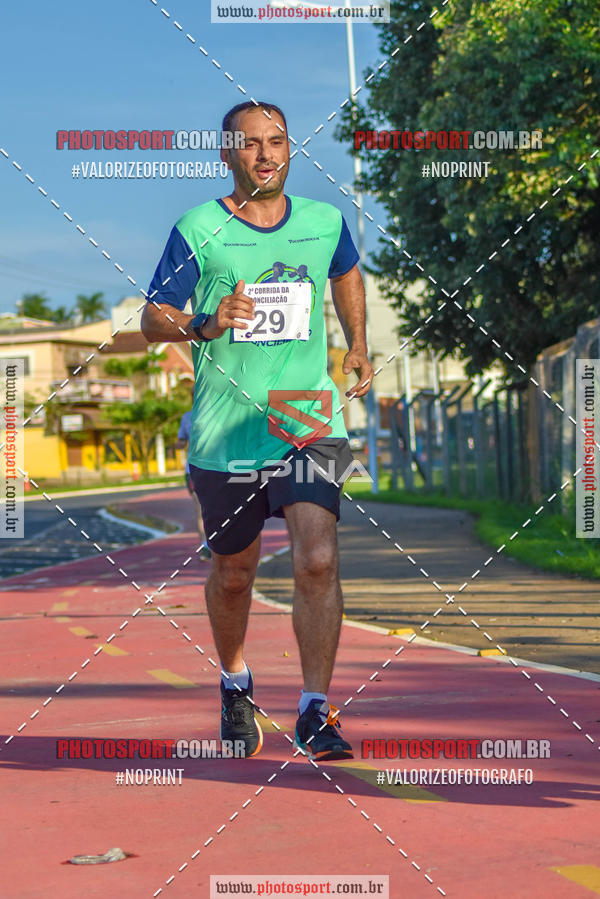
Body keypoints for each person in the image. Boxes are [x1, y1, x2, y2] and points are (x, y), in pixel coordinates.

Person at [141, 100, 373, 761]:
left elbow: (345, 271)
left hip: (307, 413)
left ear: (290, 149)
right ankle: (235, 681)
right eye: (251, 143)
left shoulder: (325, 221)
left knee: (318, 559)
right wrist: (206, 322)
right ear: (227, 153)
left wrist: (358, 341)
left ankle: (314, 710)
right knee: (235, 572)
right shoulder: (199, 227)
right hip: (227, 425)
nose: (266, 154)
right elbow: (154, 316)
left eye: (277, 141)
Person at [176, 406, 212, 561]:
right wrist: (177, 445)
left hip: (217, 469)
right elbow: (181, 441)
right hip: (193, 471)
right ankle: (205, 546)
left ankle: (220, 543)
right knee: (201, 508)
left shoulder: (218, 412)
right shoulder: (187, 417)